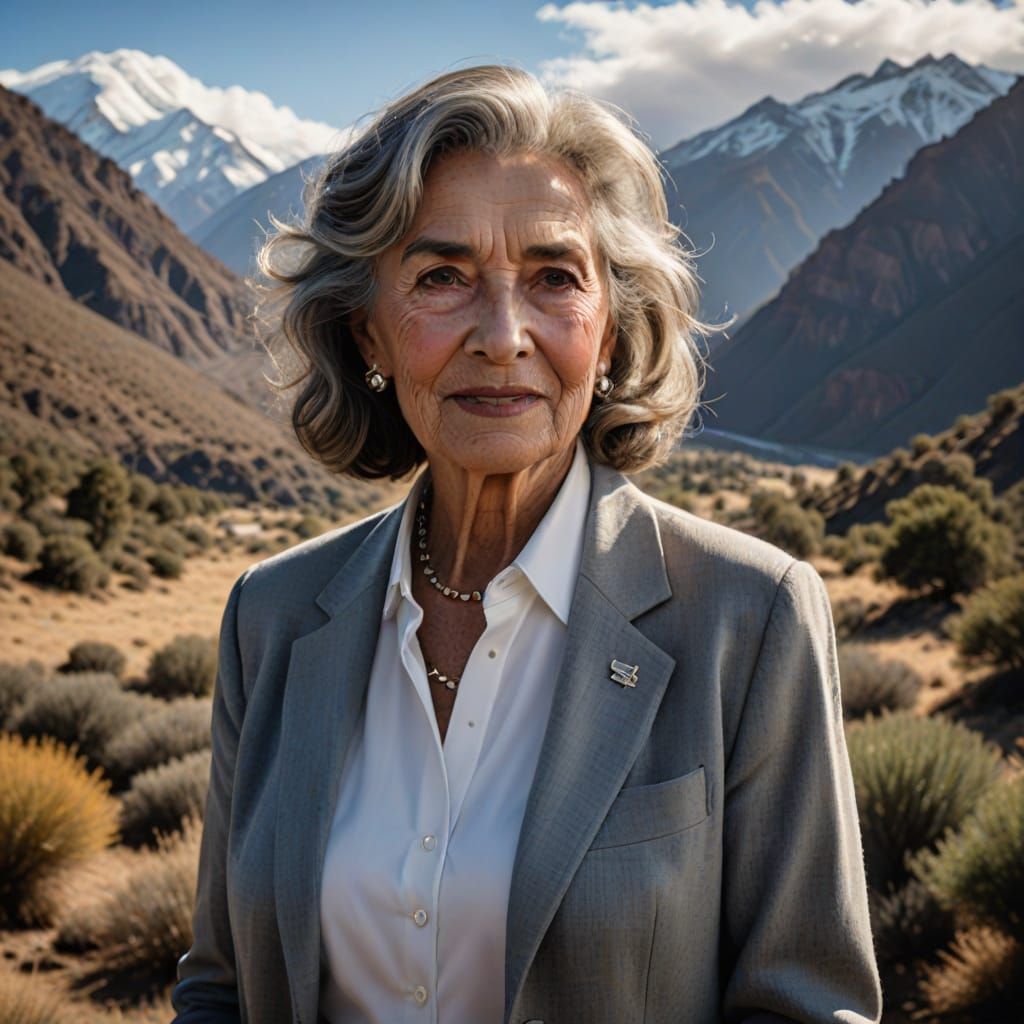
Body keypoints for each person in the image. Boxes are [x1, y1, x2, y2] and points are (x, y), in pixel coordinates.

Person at [171, 64, 882, 1024]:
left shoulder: (749, 620)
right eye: (442, 278)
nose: (502, 336)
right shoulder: (272, 615)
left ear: (611, 329)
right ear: (368, 334)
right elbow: (219, 986)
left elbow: (807, 1006)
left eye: (554, 278)